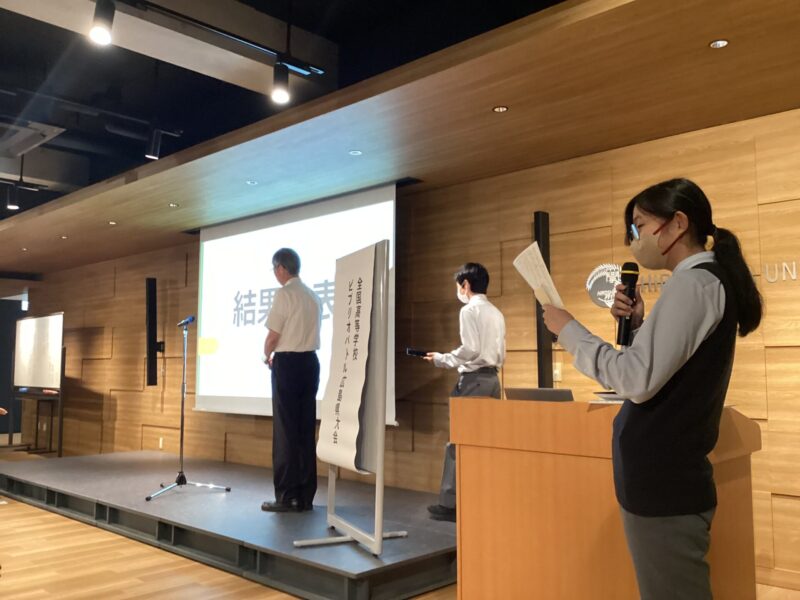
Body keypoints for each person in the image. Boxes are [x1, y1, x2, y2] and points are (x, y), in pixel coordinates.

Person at [542, 178, 762, 599]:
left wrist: (568, 330)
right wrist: (640, 324)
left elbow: (635, 379)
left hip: (665, 484)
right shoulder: (696, 282)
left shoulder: (695, 283)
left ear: (678, 223)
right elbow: (662, 370)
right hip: (662, 481)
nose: (634, 239)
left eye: (640, 226)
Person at [424, 262, 506, 522]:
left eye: (459, 286)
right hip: (493, 380)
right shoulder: (496, 312)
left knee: (457, 442)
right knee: (485, 442)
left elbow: (470, 349)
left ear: (466, 285)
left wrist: (442, 359)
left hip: (473, 381)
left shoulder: (469, 310)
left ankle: (450, 504)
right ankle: (482, 498)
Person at [261, 248, 322, 513]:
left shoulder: (284, 294)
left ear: (281, 268)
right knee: (305, 430)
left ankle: (287, 496)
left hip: (287, 364)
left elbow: (273, 336)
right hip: (310, 363)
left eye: (274, 268)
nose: (275, 273)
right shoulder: (313, 295)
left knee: (285, 430)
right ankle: (305, 497)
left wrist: (266, 354)